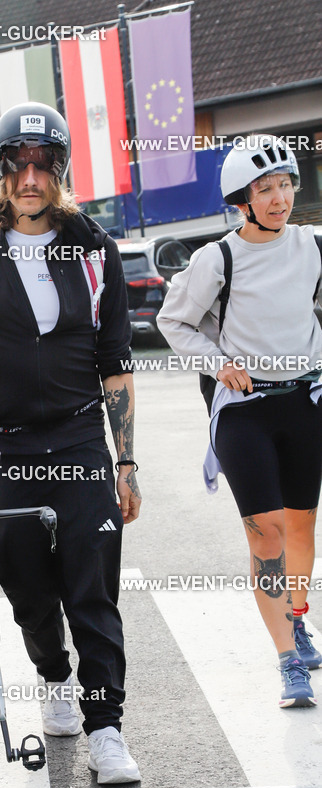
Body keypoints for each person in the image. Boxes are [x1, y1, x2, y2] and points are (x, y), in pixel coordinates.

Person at [0, 102, 142, 784]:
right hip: (4, 448)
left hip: (79, 442)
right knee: (28, 587)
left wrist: (125, 459)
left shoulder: (94, 248)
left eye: (45, 165)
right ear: (0, 171)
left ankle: (107, 730)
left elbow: (116, 359)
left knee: (92, 590)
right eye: (18, 163)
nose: (31, 177)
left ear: (61, 172)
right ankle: (53, 676)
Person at [157, 135, 322, 708]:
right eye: (265, 189)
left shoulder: (311, 246)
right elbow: (173, 321)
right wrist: (217, 363)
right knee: (267, 530)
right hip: (244, 412)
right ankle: (287, 661)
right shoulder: (217, 258)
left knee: (302, 525)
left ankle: (298, 620)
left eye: (285, 185)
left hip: (305, 404)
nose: (280, 198)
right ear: (240, 200)